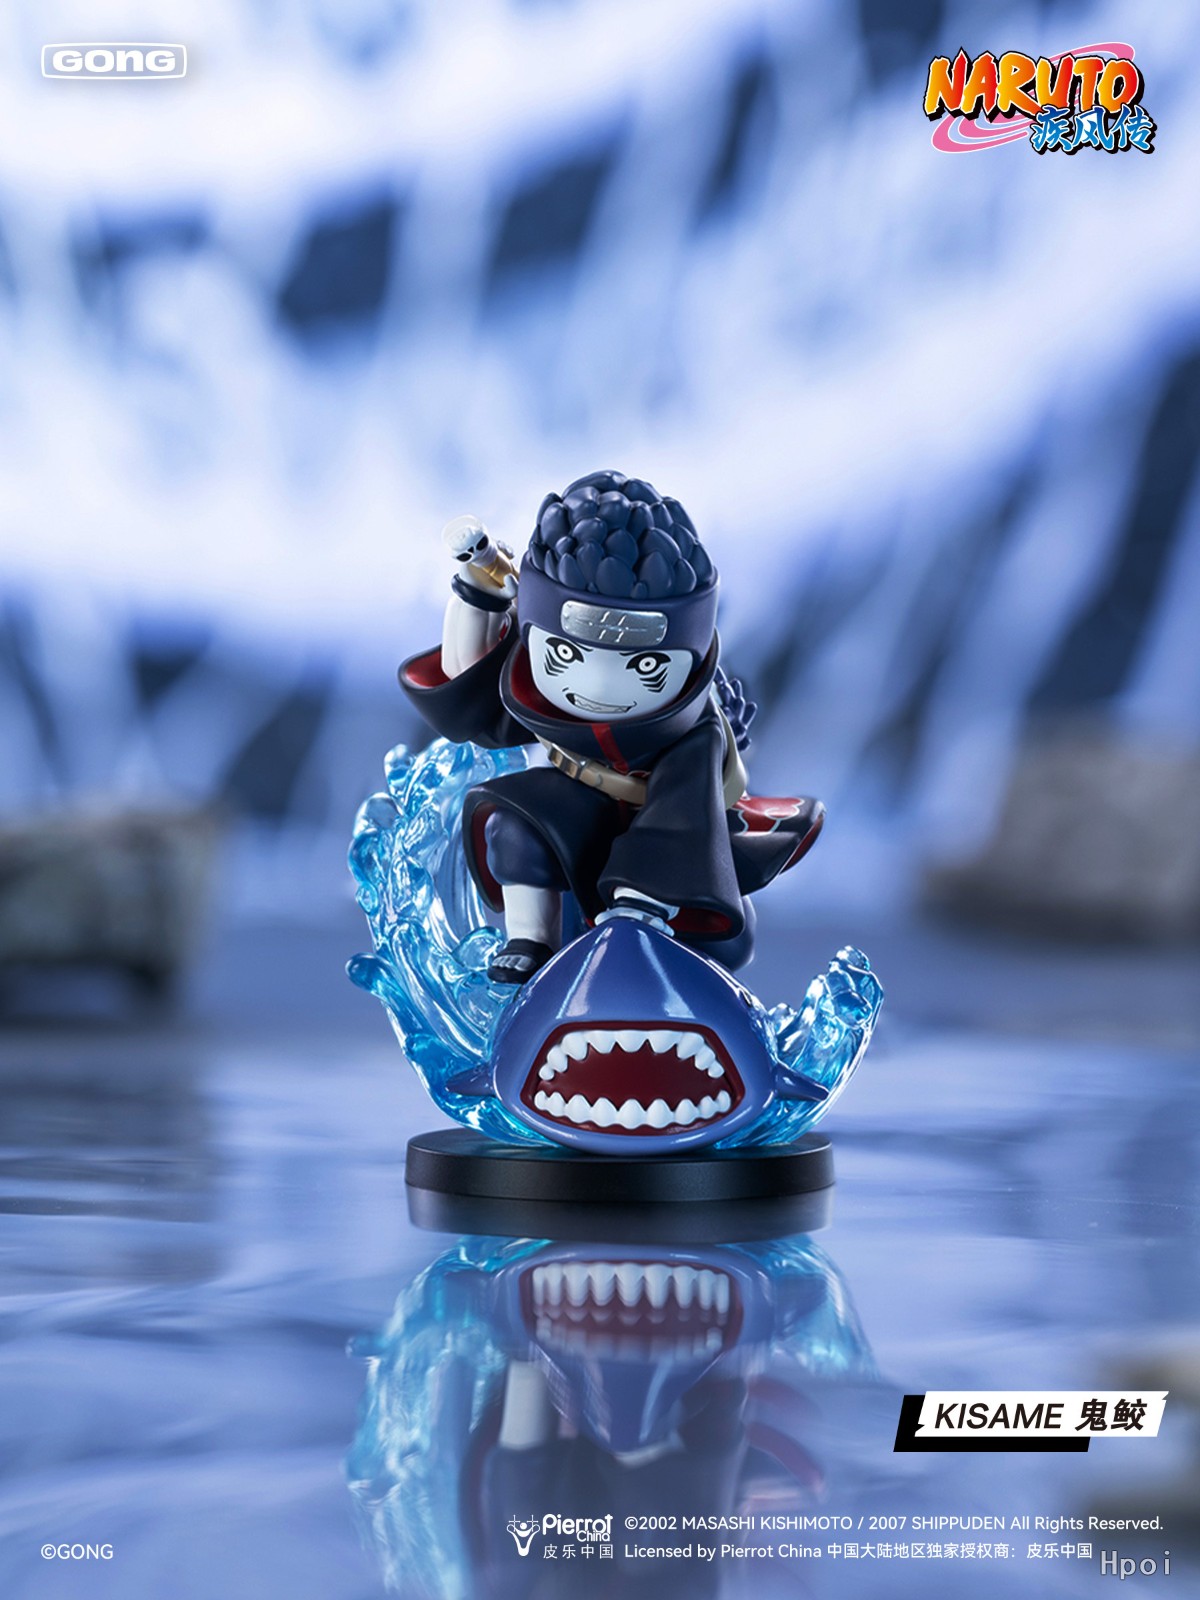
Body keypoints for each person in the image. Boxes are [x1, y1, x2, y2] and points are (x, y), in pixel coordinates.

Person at [399, 470, 820, 983]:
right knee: (513, 825)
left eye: (645, 666)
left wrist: (640, 905)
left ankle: (645, 932)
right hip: (576, 809)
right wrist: (476, 595)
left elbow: (686, 810)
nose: (597, 685)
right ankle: (529, 939)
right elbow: (469, 687)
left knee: (722, 941)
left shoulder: (695, 731)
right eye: (565, 655)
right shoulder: (541, 691)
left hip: (676, 839)